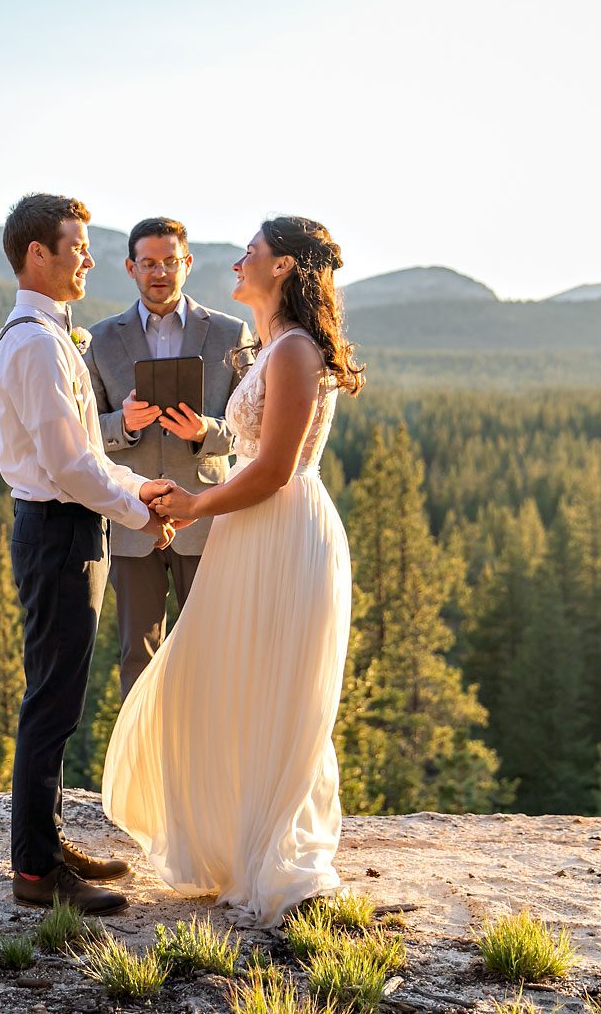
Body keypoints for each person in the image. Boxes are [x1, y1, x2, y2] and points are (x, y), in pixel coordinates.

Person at [101, 215, 366, 927]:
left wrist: (194, 503)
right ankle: (236, 844)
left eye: (251, 252)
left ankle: (271, 852)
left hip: (279, 528)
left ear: (282, 268)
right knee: (225, 679)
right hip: (250, 529)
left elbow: (276, 470)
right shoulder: (275, 347)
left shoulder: (293, 352)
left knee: (270, 686)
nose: (238, 262)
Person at [0, 193, 179, 915]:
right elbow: (69, 468)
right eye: (78, 246)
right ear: (39, 254)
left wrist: (141, 485)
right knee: (52, 701)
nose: (89, 259)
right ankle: (36, 872)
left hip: (68, 527)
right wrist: (137, 509)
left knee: (58, 698)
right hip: (58, 530)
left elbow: (89, 453)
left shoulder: (48, 336)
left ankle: (48, 841)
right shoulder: (35, 344)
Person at [85, 217, 254, 698]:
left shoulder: (229, 331)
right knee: (138, 658)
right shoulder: (99, 339)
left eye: (169, 261)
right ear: (130, 268)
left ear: (188, 264)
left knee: (215, 648)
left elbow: (249, 431)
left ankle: (213, 764)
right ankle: (145, 772)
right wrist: (124, 423)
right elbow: (82, 433)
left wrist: (205, 431)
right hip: (133, 520)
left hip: (205, 516)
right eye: (148, 263)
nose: (159, 272)